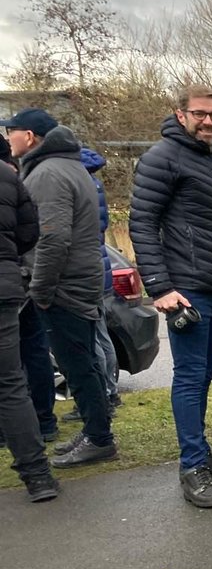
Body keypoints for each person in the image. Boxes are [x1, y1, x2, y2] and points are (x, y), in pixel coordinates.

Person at [130, 84, 212, 507]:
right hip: (187, 291)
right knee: (190, 377)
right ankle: (192, 466)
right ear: (181, 115)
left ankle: (201, 454)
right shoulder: (162, 158)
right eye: (200, 114)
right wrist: (159, 287)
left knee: (203, 375)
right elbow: (142, 222)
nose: (208, 121)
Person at [4, 108, 116, 468]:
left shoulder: (48, 173)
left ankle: (99, 438)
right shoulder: (65, 165)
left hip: (64, 284)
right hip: (78, 279)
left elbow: (52, 240)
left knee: (77, 364)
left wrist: (41, 289)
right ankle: (95, 430)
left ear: (31, 136)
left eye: (13, 132)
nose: (9, 139)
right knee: (81, 361)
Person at [0, 150, 58, 500]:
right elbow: (29, 233)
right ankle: (37, 476)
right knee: (10, 384)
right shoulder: (8, 176)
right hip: (4, 285)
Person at [80, 147, 120, 412]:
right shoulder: (94, 184)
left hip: (89, 271)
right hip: (101, 267)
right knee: (102, 335)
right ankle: (111, 389)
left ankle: (105, 392)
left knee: (93, 337)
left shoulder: (80, 185)